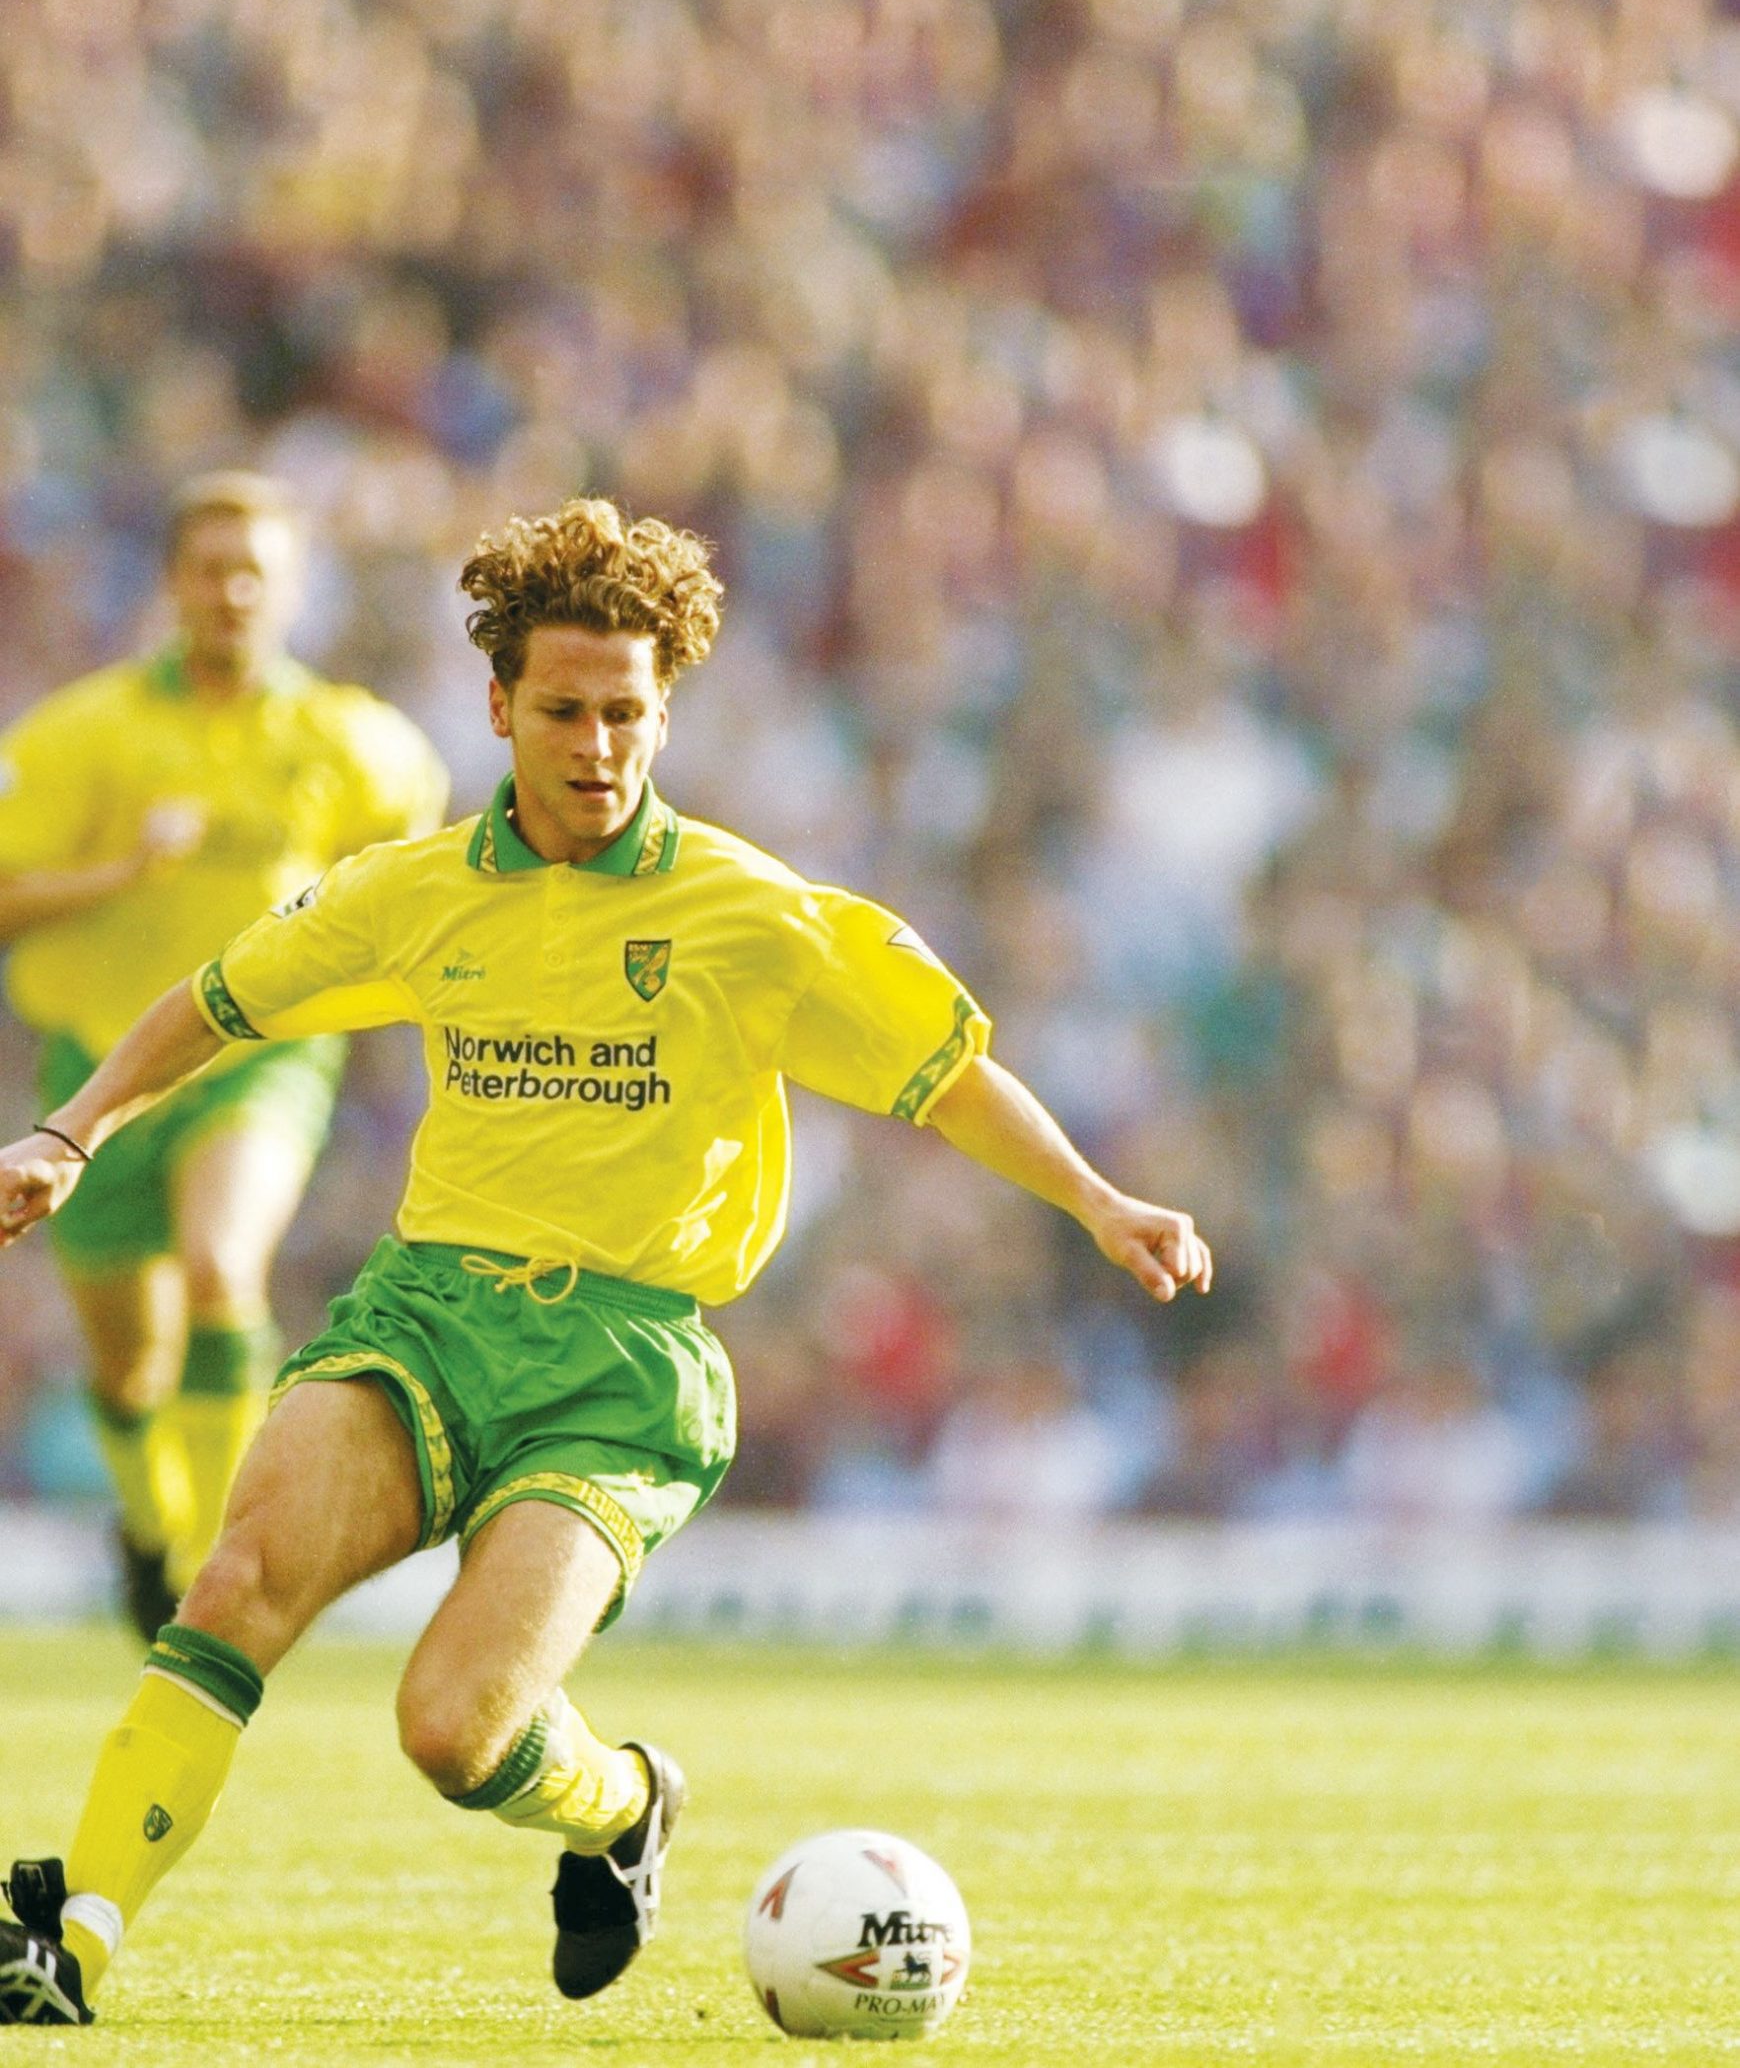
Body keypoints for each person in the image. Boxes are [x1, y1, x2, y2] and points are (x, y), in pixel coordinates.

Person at [0, 495, 1211, 2028]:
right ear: (498, 707)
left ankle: (625, 1803)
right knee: (235, 1581)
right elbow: (220, 999)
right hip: (426, 1319)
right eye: (563, 711)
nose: (597, 745)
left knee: (451, 1731)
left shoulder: (753, 914)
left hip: (619, 1375)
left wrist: (1100, 1201)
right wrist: (75, 1129)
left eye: (626, 713)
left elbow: (946, 1074)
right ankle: (72, 1940)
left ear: (665, 713)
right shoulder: (417, 891)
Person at [0, 472, 448, 1638]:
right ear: (172, 583)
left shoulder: (358, 744)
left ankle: (217, 1558)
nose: (233, 592)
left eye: (256, 572)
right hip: (99, 1068)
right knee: (128, 1366)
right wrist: (120, 873)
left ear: (293, 590)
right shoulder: (85, 732)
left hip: (259, 1055)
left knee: (220, 1268)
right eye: (210, 569)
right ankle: (152, 1523)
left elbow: (413, 891)